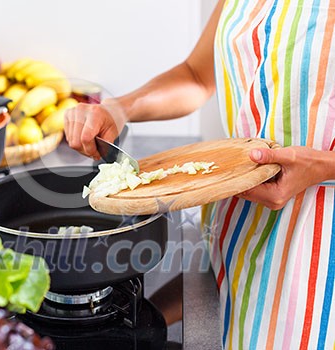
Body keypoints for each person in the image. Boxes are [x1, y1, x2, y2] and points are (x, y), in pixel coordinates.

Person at [64, 0, 335, 348]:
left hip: (318, 250)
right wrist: (120, 108)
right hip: (237, 225)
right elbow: (196, 76)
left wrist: (323, 166)